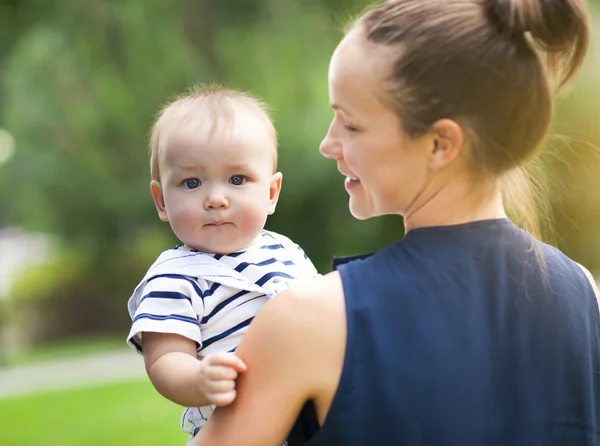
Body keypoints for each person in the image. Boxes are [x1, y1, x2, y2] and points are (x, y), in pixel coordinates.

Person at [192, 0, 600, 445]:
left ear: (440, 144)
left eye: (350, 124)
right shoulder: (583, 294)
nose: (328, 143)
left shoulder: (309, 319)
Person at [126, 85, 318, 443]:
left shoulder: (287, 252)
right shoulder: (174, 277)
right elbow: (164, 359)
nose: (216, 198)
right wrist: (198, 380)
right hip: (241, 426)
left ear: (271, 193)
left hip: (312, 413)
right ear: (162, 200)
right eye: (192, 182)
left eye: (237, 179)